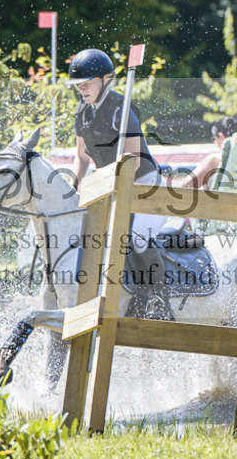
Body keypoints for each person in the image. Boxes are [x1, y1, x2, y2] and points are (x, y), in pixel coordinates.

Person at [67, 48, 169, 317]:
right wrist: (72, 188)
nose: (82, 89)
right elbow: (82, 157)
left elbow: (133, 162)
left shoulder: (121, 111)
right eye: (80, 84)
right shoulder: (82, 113)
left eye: (87, 83)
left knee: (135, 239)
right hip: (111, 186)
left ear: (105, 80)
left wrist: (101, 182)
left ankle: (158, 298)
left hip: (144, 185)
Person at [181, 116, 237, 190]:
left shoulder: (216, 160)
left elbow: (186, 187)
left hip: (215, 200)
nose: (215, 142)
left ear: (221, 135)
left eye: (214, 138)